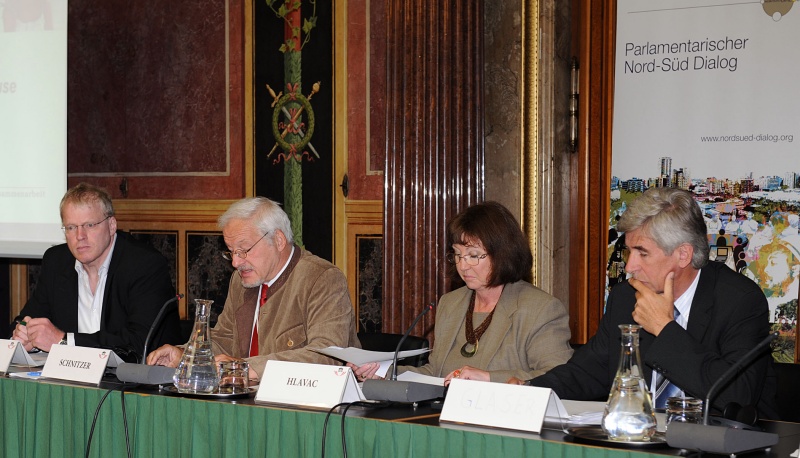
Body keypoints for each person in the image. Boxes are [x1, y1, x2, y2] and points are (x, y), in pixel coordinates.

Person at [524, 188, 778, 419]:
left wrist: (665, 328)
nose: (630, 266)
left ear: (683, 254)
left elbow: (736, 395)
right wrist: (528, 392)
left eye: (642, 253)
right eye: (628, 252)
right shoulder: (625, 297)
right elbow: (590, 371)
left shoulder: (739, 300)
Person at [351, 201, 573, 384]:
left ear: (503, 254)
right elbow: (435, 374)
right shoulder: (451, 303)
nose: (463, 265)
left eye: (474, 255)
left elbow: (560, 379)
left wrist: (488, 378)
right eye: (457, 254)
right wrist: (383, 372)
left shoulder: (541, 310)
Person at [147, 197, 360, 381]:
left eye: (244, 250)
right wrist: (184, 355)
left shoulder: (321, 279)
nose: (236, 262)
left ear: (278, 240)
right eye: (231, 252)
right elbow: (224, 340)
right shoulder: (240, 281)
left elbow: (327, 355)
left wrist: (248, 368)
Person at [11, 182, 182, 362]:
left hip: (136, 383)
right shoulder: (56, 261)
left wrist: (63, 341)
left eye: (90, 225)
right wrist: (24, 333)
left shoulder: (144, 265)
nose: (80, 236)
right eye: (71, 227)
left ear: (112, 225)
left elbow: (140, 344)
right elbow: (24, 319)